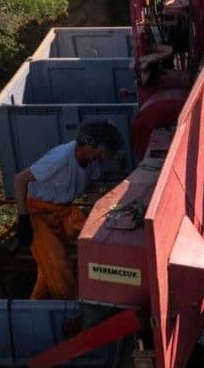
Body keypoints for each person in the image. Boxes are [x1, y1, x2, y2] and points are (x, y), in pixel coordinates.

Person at [14, 121, 124, 299]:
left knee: (95, 239)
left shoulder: (90, 160)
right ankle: (72, 309)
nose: (103, 158)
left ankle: (36, 305)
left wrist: (108, 212)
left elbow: (92, 188)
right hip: (39, 215)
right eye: (101, 152)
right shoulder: (60, 159)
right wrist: (23, 219)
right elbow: (20, 180)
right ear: (89, 143)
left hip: (64, 211)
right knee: (58, 267)